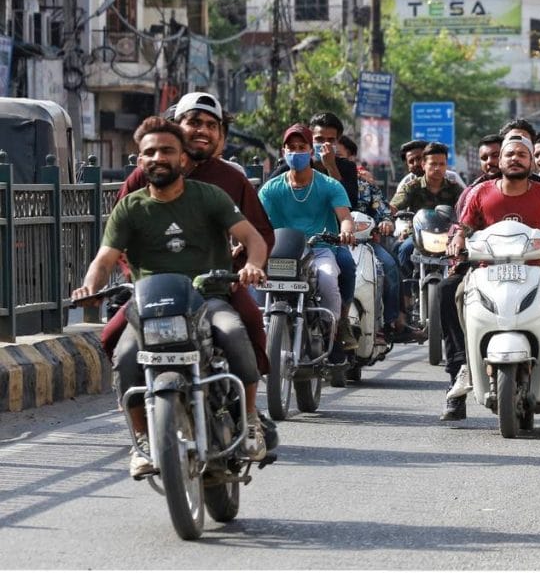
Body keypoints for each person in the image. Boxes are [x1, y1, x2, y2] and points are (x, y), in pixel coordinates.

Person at [72, 117, 270, 476]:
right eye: (150, 152)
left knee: (235, 332)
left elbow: (253, 238)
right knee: (124, 350)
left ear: (182, 159)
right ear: (139, 160)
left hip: (208, 299)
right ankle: (143, 442)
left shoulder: (210, 196)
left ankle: (252, 419)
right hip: (150, 305)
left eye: (167, 150)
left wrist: (253, 265)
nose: (158, 157)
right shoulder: (130, 207)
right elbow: (104, 258)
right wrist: (89, 286)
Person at [104, 93, 275, 377]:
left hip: (213, 287)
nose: (203, 131)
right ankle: (139, 401)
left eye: (212, 125)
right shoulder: (143, 176)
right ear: (175, 127)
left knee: (251, 323)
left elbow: (259, 232)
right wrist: (133, 275)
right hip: (155, 289)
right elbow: (118, 234)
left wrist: (244, 267)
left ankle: (248, 412)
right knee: (112, 337)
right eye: (194, 122)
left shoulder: (230, 179)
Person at [440, 134, 540, 421]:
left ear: (531, 162)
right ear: (500, 161)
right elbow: (462, 227)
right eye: (510, 154)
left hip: (537, 268)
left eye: (522, 154)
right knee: (449, 290)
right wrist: (457, 239)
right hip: (487, 269)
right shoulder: (480, 192)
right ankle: (462, 365)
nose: (515, 159)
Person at [259, 124, 359, 350]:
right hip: (282, 252)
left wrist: (346, 230)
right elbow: (256, 221)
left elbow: (344, 216)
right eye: (291, 147)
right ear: (283, 152)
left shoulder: (330, 185)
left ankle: (330, 330)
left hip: (320, 249)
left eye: (301, 147)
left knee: (327, 280)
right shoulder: (270, 189)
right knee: (256, 283)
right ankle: (259, 333)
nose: (296, 152)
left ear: (311, 151)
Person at [335, 135, 423, 342]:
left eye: (338, 156)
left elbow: (384, 210)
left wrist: (385, 222)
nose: (331, 159)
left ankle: (390, 323)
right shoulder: (318, 183)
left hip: (366, 244)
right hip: (330, 243)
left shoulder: (366, 186)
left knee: (390, 266)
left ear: (351, 158)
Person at [390, 142, 464, 276]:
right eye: (433, 164)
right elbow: (395, 204)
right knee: (404, 250)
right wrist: (387, 216)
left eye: (441, 164)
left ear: (446, 165)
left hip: (448, 237)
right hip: (418, 236)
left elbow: (467, 210)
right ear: (424, 165)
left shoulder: (455, 189)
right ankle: (409, 291)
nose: (437, 168)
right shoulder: (411, 186)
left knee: (466, 257)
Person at [268, 112, 361, 207]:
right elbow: (264, 196)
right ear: (310, 140)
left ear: (337, 141)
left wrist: (331, 167)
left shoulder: (347, 167)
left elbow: (350, 204)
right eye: (319, 139)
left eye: (330, 140)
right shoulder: (295, 164)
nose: (325, 144)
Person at [396, 139, 467, 192]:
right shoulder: (406, 184)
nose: (416, 164)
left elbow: (467, 201)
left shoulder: (452, 178)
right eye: (411, 161)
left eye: (419, 158)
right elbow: (395, 208)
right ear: (407, 166)